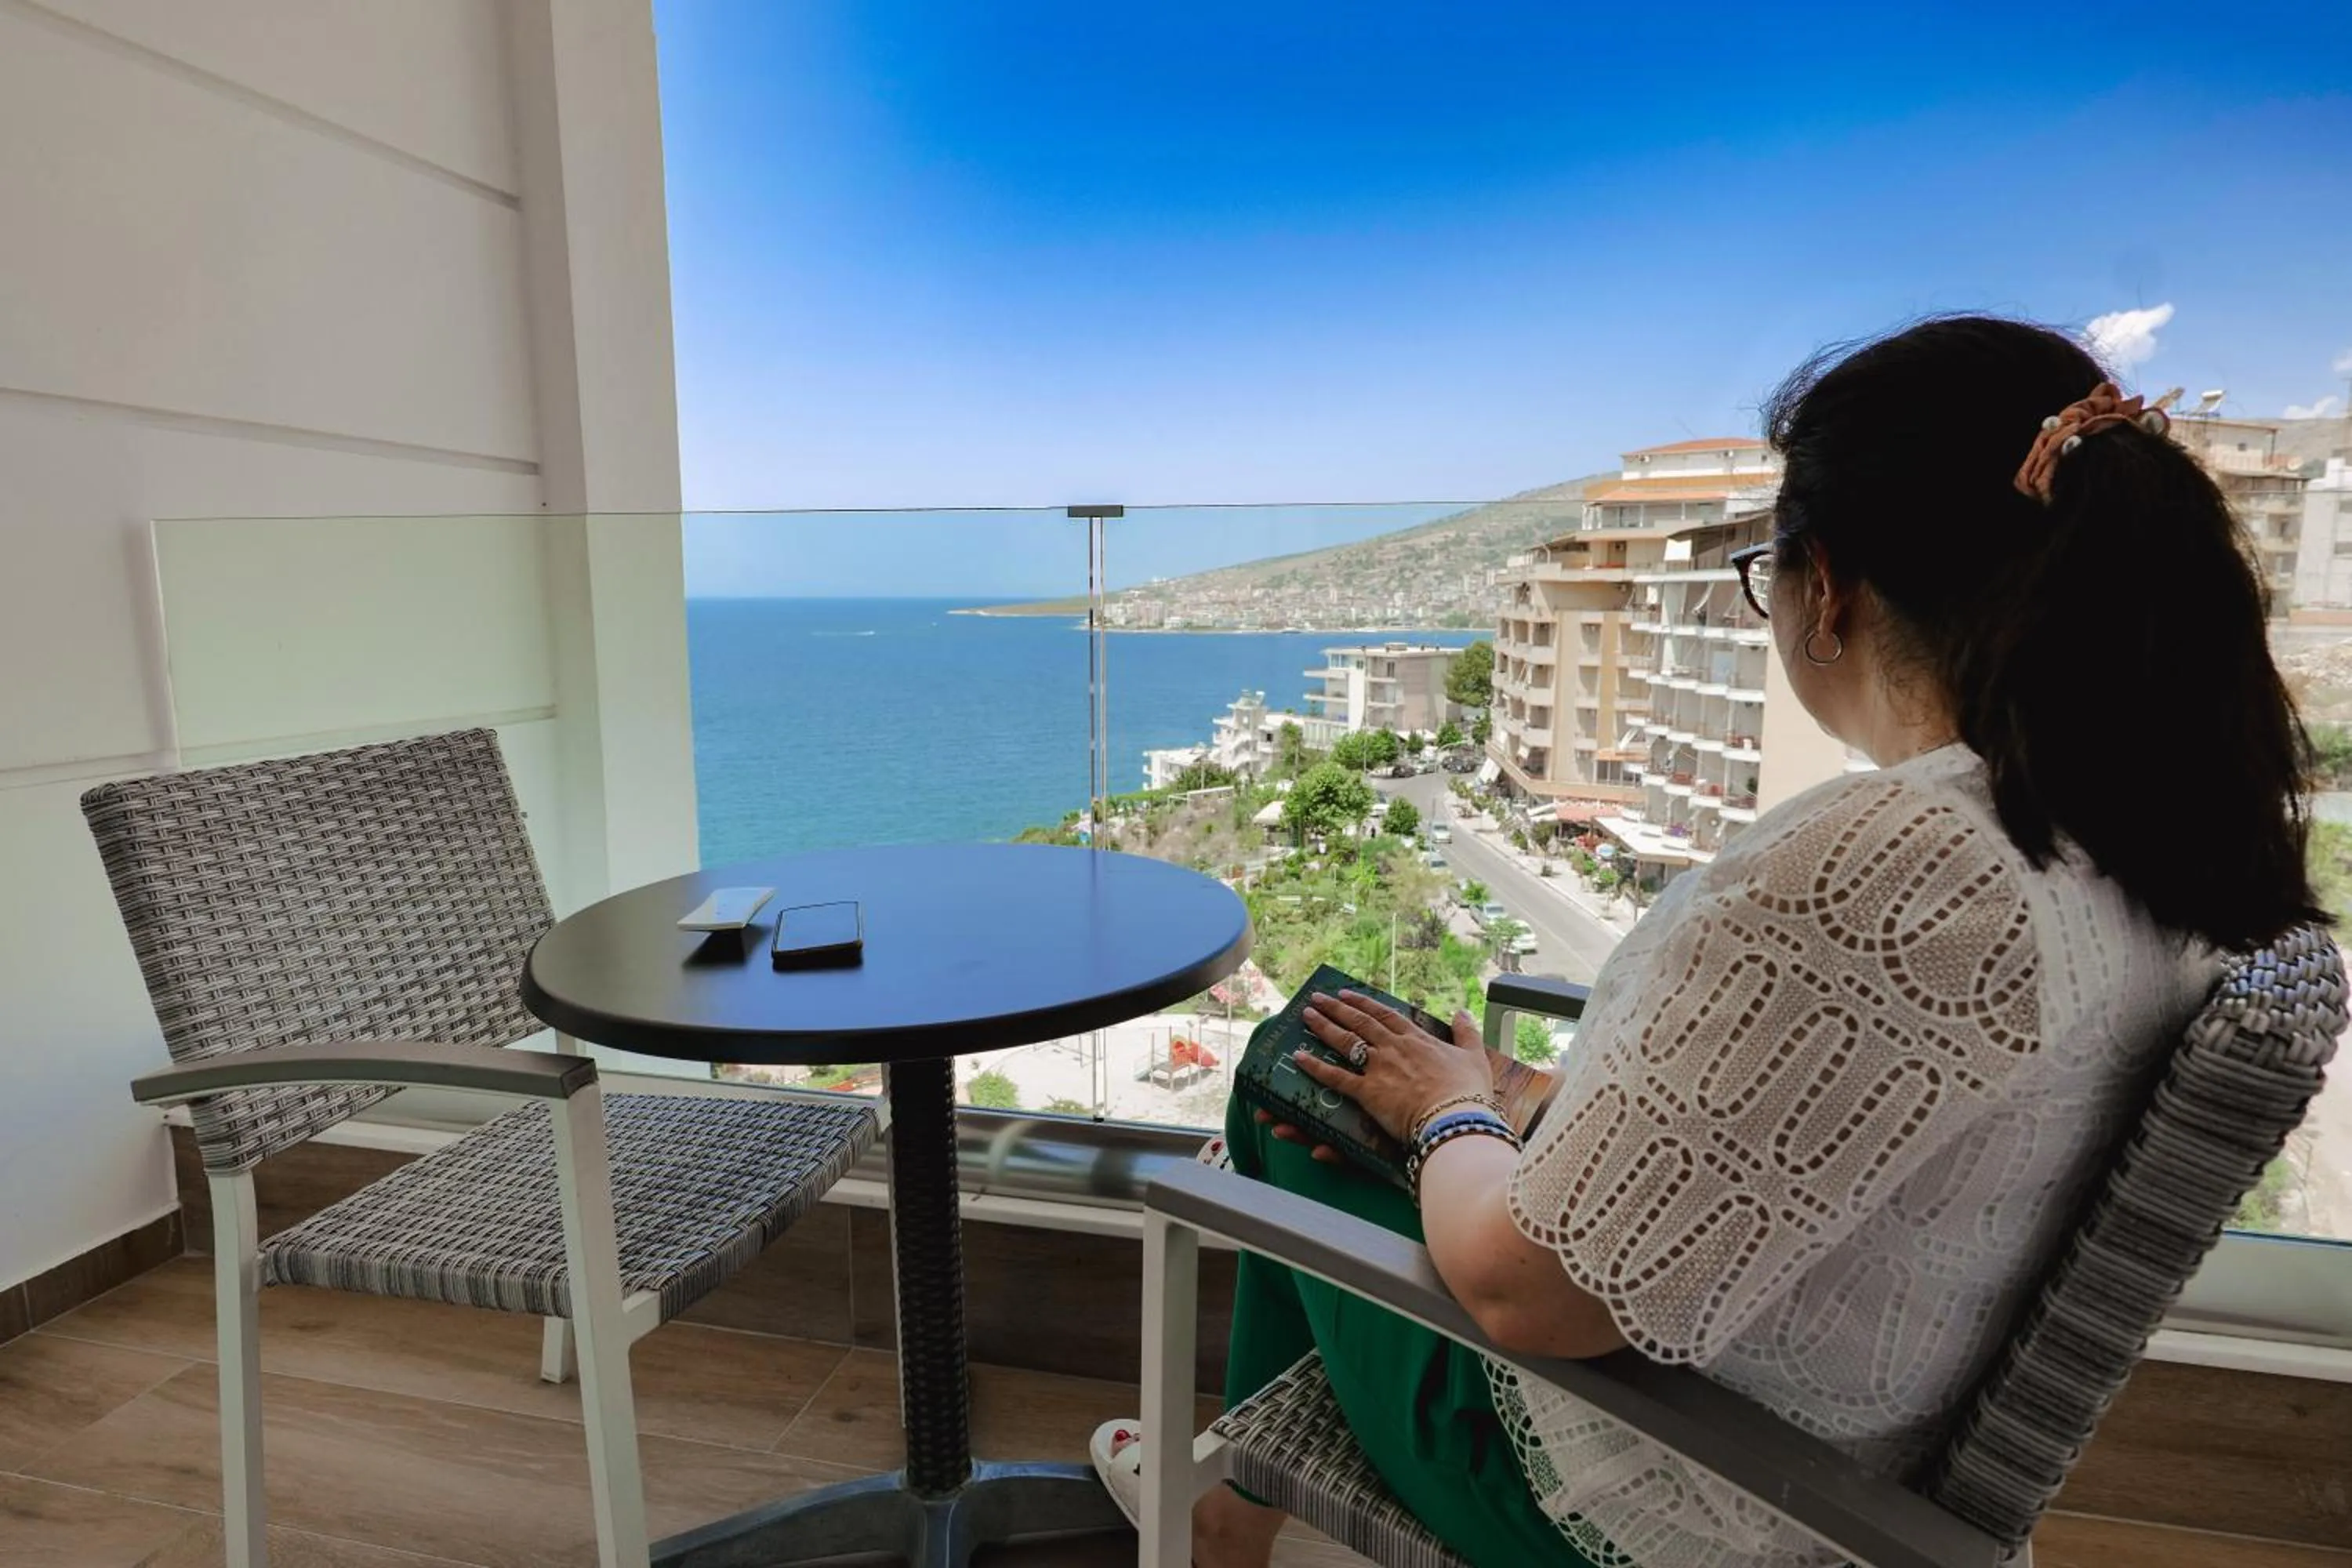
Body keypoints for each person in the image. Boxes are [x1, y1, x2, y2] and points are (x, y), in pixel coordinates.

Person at [1091, 314, 2324, 1568]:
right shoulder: (2135, 840)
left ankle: (1225, 1520)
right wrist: (1522, 1095)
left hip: (1651, 1487)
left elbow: (1530, 1295)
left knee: (1295, 1061)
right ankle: (1236, 1509)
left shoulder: (1898, 869)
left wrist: (1452, 1119)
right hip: (1828, 1444)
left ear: (1827, 587)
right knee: (1377, 1058)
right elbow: (1828, 1122)